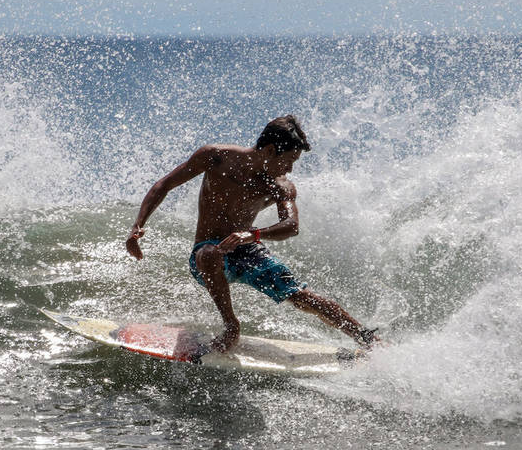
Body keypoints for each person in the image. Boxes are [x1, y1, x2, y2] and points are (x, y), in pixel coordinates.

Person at [125, 115, 378, 353]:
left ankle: (366, 338)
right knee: (210, 253)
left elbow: (291, 225)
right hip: (208, 251)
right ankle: (231, 326)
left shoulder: (280, 186)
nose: (289, 169)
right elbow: (164, 184)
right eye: (288, 160)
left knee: (300, 296)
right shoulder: (216, 157)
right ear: (269, 151)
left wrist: (253, 235)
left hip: (248, 249)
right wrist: (138, 225)